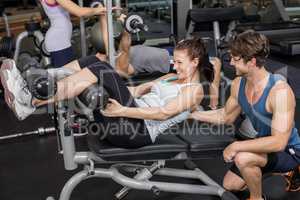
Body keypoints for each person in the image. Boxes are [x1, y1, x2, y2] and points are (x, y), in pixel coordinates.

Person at [0, 37, 213, 148]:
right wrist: (112, 86)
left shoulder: (194, 92)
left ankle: (31, 100)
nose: (174, 66)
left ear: (195, 62)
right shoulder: (171, 77)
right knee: (95, 62)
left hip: (136, 132)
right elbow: (136, 90)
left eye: (179, 62)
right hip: (123, 117)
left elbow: (163, 113)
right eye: (173, 61)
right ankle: (39, 82)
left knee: (102, 70)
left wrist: (122, 108)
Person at [190, 30, 300, 200]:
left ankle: (258, 197)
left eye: (236, 59)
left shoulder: (279, 92)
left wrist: (236, 146)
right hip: (262, 144)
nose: (231, 63)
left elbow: (279, 142)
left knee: (243, 158)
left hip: (288, 151)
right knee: (230, 185)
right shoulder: (238, 84)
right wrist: (192, 115)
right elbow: (226, 116)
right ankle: (271, 169)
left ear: (252, 62)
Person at [96, 11, 222, 109]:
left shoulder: (123, 59)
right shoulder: (122, 60)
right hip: (157, 57)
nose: (100, 56)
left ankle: (212, 103)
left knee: (213, 63)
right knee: (213, 63)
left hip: (156, 56)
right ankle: (213, 103)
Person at [39, 0, 118, 68]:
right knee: (65, 77)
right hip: (58, 41)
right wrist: (100, 10)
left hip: (59, 40)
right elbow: (79, 12)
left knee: (67, 74)